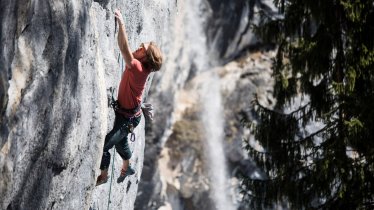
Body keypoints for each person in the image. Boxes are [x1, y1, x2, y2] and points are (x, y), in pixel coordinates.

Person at [96, 9, 163, 186]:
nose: (139, 47)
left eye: (143, 48)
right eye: (142, 45)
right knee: (120, 142)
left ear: (145, 58)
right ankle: (128, 165)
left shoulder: (138, 68)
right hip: (128, 115)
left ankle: (103, 176)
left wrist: (122, 23)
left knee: (105, 146)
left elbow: (123, 48)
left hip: (128, 119)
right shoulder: (142, 67)